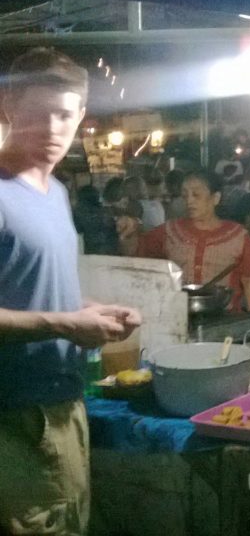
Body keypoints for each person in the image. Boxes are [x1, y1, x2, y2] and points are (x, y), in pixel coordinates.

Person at [0, 47, 141, 535]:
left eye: (64, 115)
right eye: (37, 115)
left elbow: (33, 292)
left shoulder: (56, 193)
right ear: (8, 108)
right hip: (15, 417)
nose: (52, 129)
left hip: (65, 403)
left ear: (81, 116)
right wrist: (65, 323)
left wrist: (91, 310)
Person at [136, 171, 250, 311]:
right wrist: (130, 232)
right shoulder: (169, 231)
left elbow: (249, 281)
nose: (189, 201)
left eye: (196, 195)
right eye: (185, 195)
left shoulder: (239, 236)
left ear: (215, 198)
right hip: (178, 316)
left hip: (225, 321)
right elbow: (137, 255)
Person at [73, 184, 119, 255]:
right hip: (110, 249)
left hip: (90, 249)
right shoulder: (107, 211)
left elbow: (76, 229)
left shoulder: (79, 212)